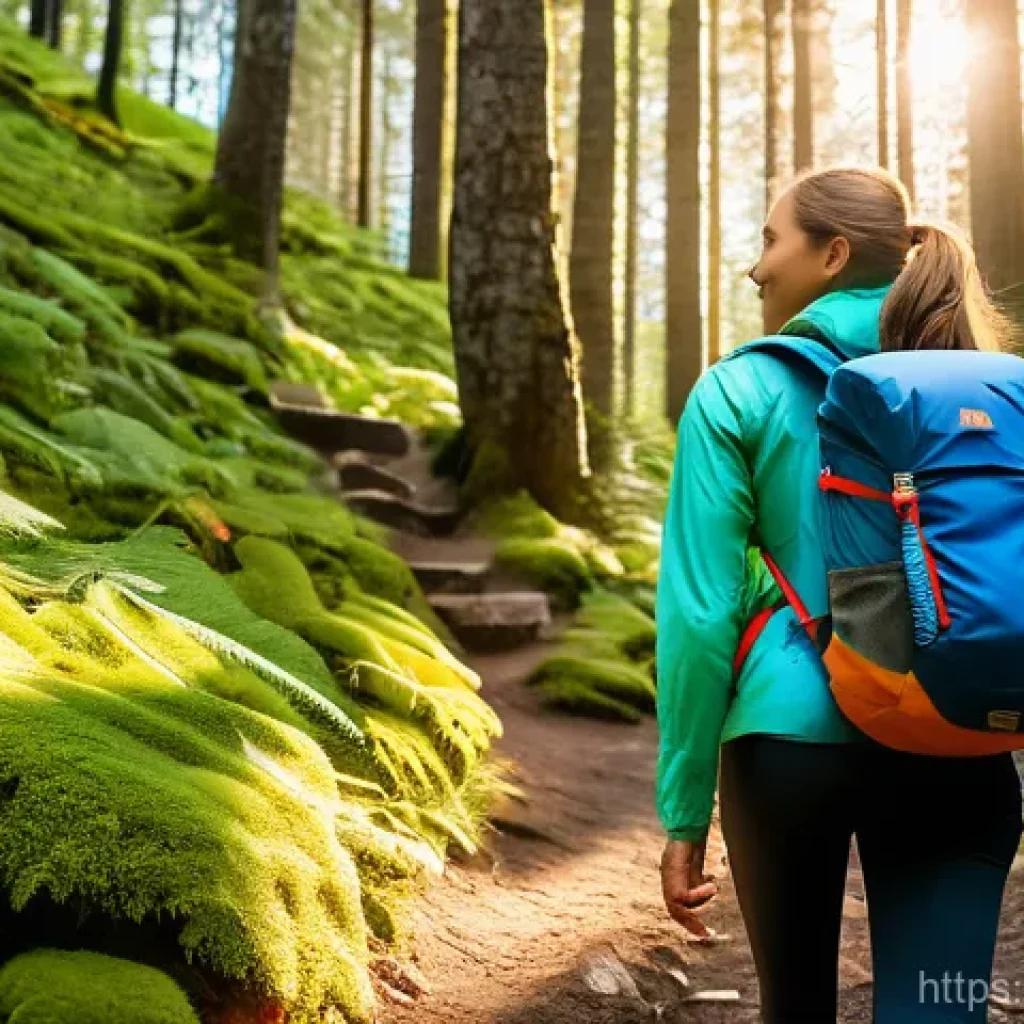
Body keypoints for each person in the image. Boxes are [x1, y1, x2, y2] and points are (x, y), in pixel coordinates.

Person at [655, 166, 1024, 1023]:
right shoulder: (995, 389)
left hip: (792, 742)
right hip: (957, 730)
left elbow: (701, 616)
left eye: (769, 240)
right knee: (938, 1009)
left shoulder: (739, 388)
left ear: (833, 254)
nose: (756, 267)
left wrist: (684, 813)